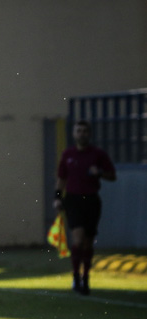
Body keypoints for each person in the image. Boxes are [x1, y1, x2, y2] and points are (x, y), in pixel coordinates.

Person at [54, 119, 116, 295]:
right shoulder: (68, 154)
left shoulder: (98, 154)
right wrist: (57, 197)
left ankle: (86, 277)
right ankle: (75, 276)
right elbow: (61, 178)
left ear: (89, 134)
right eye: (79, 131)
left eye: (85, 131)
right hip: (73, 200)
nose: (82, 134)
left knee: (88, 242)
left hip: (91, 200)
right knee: (78, 239)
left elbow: (112, 175)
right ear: (74, 134)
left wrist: (100, 173)